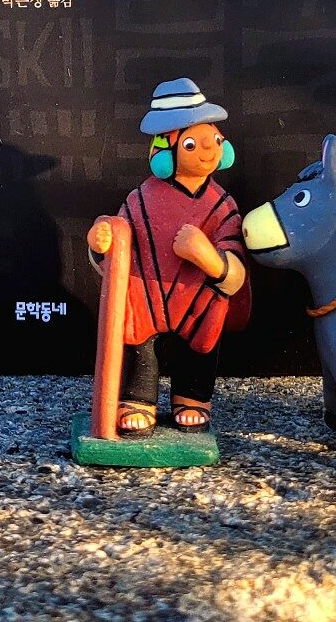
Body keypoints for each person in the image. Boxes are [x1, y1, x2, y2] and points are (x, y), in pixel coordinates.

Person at [88, 78, 250, 432]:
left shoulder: (222, 205)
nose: (208, 151)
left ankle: (193, 398)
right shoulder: (140, 200)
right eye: (191, 144)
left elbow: (236, 274)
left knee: (200, 346)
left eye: (215, 141)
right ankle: (137, 400)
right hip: (146, 297)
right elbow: (117, 252)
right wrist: (102, 244)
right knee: (139, 348)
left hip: (198, 299)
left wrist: (208, 257)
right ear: (162, 152)